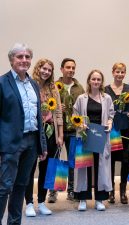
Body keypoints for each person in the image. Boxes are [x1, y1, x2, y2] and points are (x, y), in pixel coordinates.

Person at [0, 43, 47, 225]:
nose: (24, 60)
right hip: (10, 144)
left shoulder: (33, 84)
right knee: (5, 187)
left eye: (27, 57)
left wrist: (41, 145)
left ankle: (14, 222)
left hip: (31, 142)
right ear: (12, 60)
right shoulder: (3, 83)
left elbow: (38, 118)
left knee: (21, 186)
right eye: (20, 57)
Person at [24, 59, 64, 217]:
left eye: (49, 70)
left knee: (46, 168)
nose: (46, 72)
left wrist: (60, 135)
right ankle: (28, 203)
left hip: (50, 132)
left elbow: (59, 113)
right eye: (44, 68)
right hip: (34, 132)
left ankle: (41, 202)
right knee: (29, 168)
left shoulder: (53, 88)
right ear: (38, 68)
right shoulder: (29, 84)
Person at [73, 69, 114, 211]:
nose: (96, 81)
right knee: (84, 166)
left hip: (100, 137)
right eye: (93, 79)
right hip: (85, 136)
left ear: (101, 82)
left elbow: (111, 115)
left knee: (100, 167)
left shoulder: (107, 98)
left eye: (98, 79)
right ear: (89, 81)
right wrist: (81, 124)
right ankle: (82, 199)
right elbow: (75, 116)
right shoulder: (81, 98)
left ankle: (99, 199)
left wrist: (109, 124)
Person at [50, 58, 85, 203]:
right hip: (55, 129)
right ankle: (52, 191)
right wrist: (58, 108)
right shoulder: (54, 86)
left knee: (72, 161)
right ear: (61, 69)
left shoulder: (79, 87)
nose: (71, 70)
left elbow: (83, 108)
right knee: (55, 159)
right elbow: (47, 105)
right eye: (68, 67)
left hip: (72, 130)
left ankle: (71, 190)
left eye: (73, 68)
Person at [105, 63, 129, 204]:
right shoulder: (105, 90)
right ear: (113, 72)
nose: (120, 74)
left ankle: (123, 192)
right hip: (111, 131)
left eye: (122, 72)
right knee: (110, 161)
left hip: (126, 131)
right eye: (117, 71)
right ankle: (110, 191)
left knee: (125, 161)